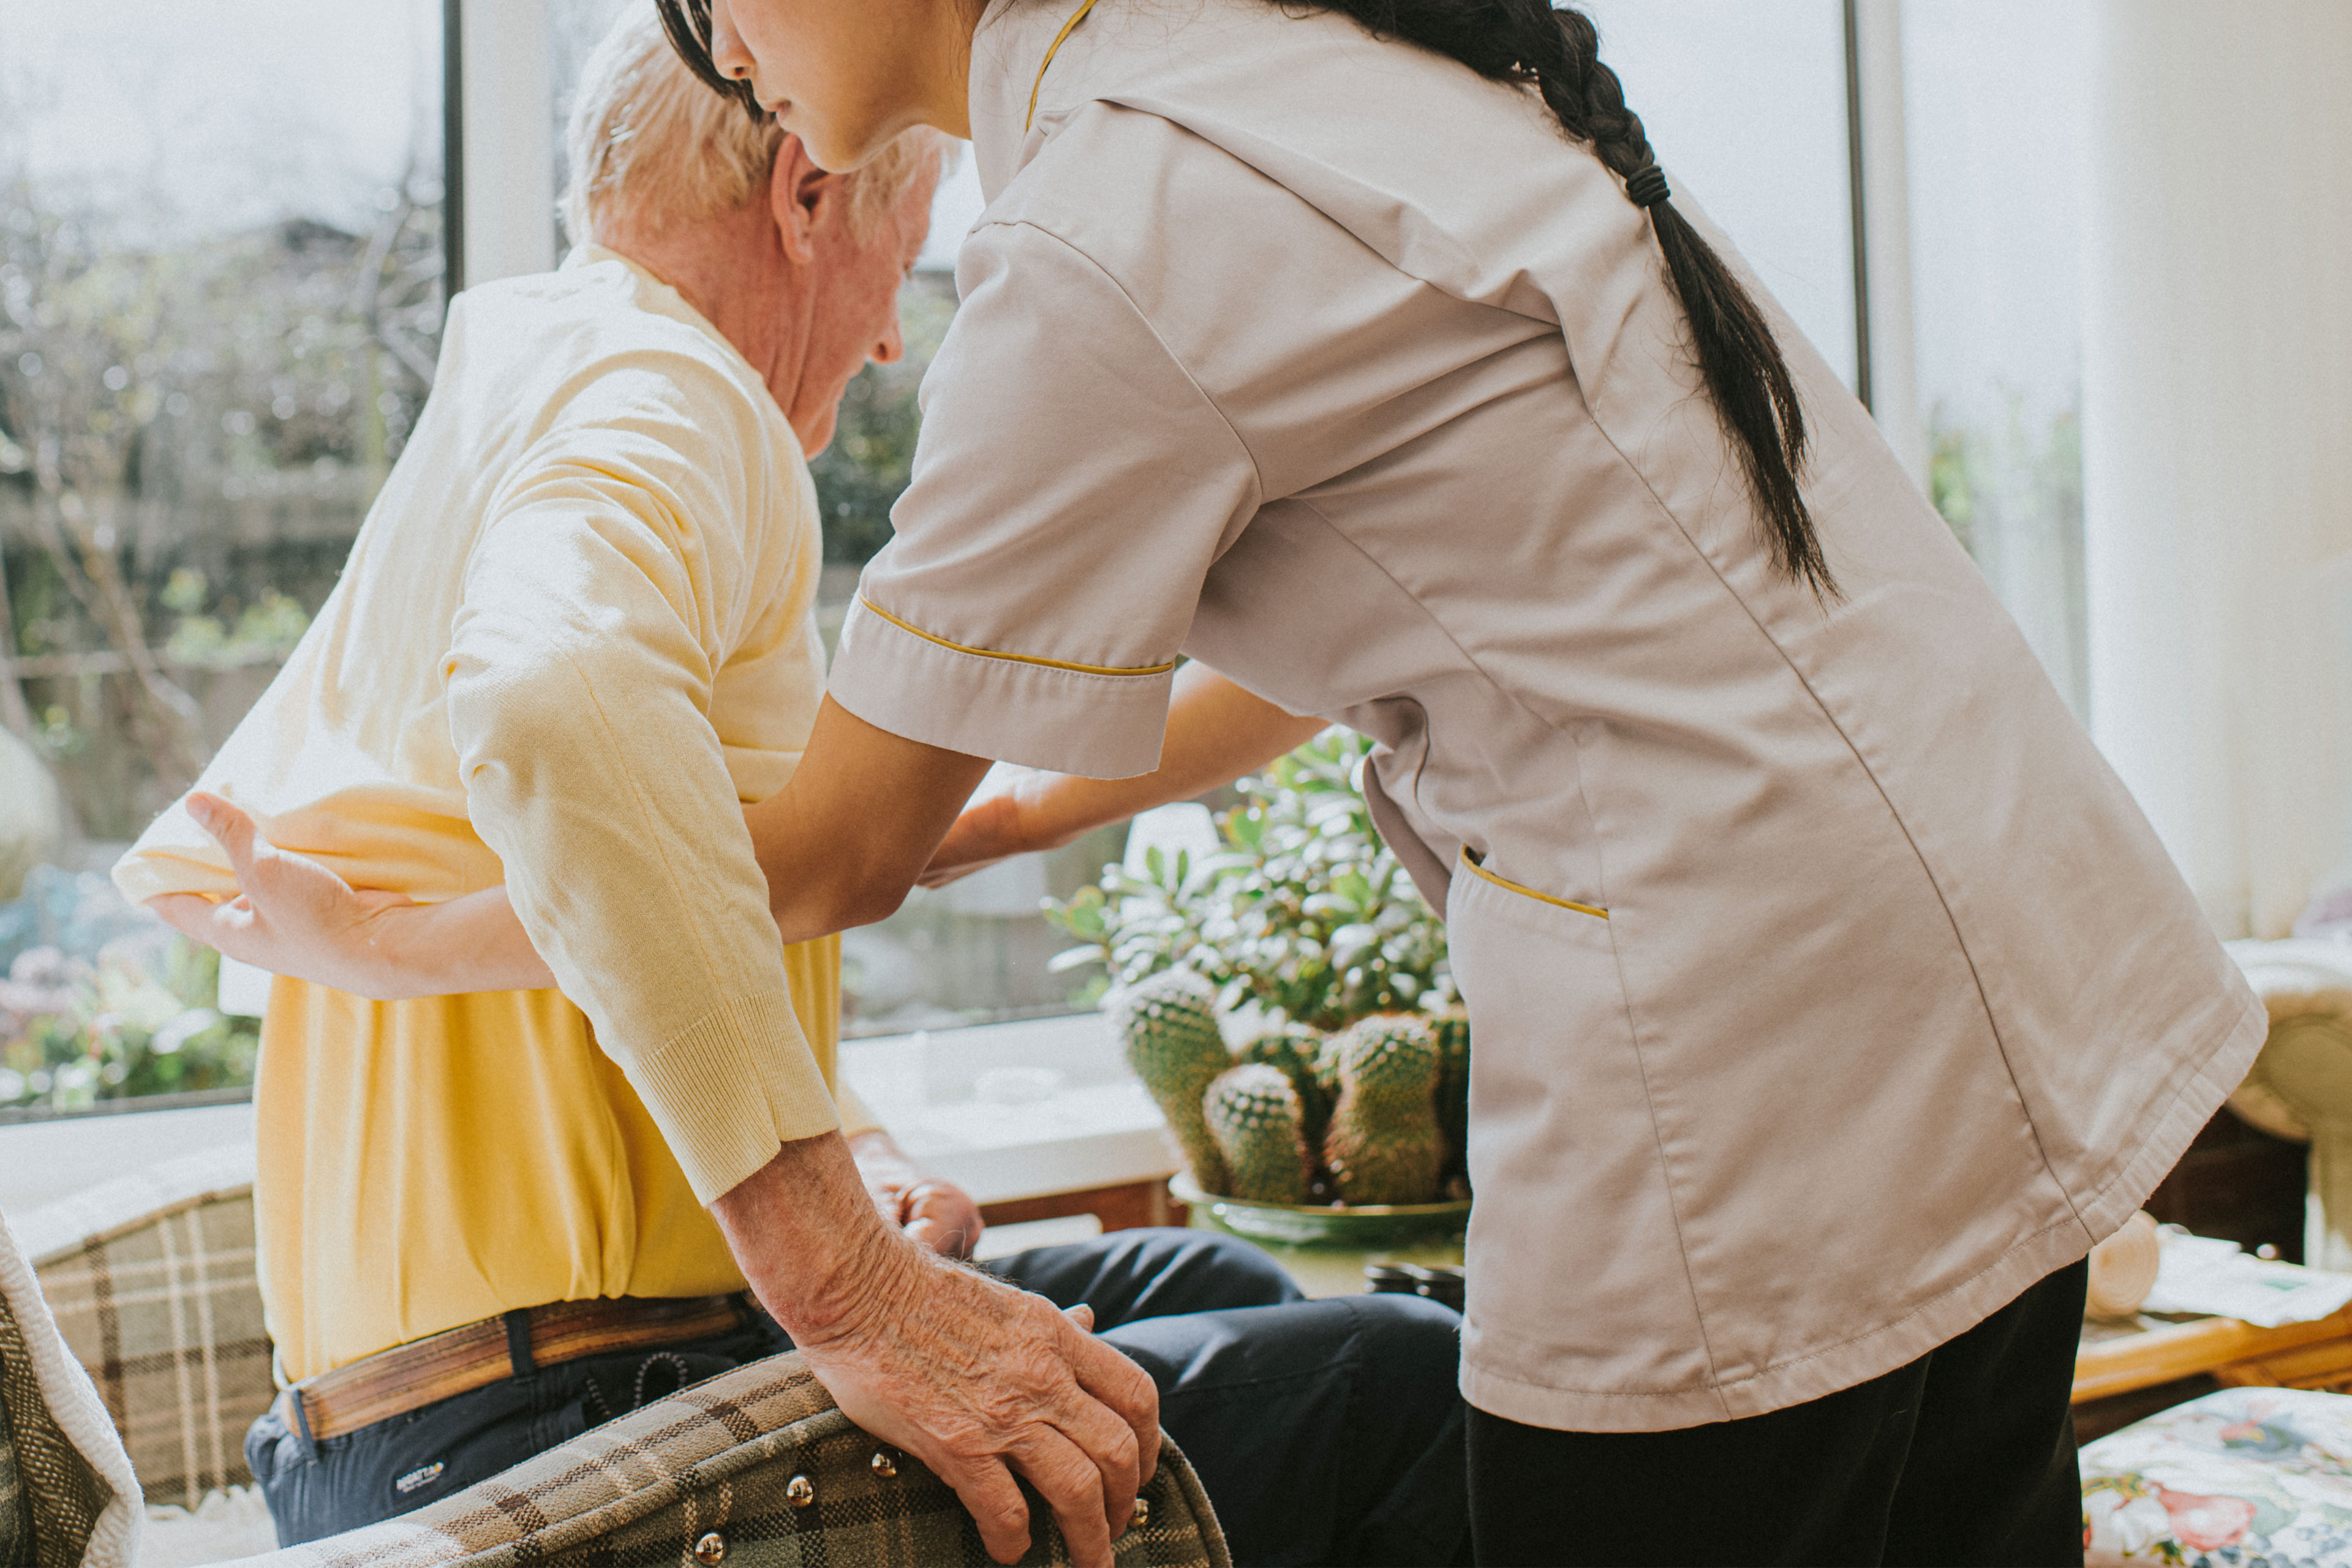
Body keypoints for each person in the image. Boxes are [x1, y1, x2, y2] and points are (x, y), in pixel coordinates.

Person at [152, 0, 2274, 1562]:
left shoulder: (1094, 237)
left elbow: (838, 836)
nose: (717, 29)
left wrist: (415, 950)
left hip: (1758, 1046)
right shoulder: (1276, 70)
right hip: (1972, 953)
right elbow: (1084, 750)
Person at [118, 13, 1466, 1567]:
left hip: (408, 1424)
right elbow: (558, 699)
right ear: (804, 192)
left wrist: (859, 1146)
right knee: (1404, 1380)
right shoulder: (670, 392)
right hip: (550, 1424)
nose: (897, 335)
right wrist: (848, 1278)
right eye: (909, 248)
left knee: (1217, 1288)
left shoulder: (537, 377)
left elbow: (730, 863)